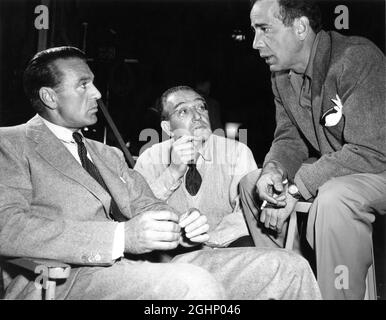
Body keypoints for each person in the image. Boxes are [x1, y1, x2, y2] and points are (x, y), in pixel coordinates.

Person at [0, 46, 321, 300]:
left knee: (288, 267)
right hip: (64, 278)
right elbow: (7, 227)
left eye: (94, 83)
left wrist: (180, 226)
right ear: (50, 96)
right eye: (84, 84)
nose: (97, 93)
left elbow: (146, 205)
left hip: (147, 264)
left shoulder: (106, 154)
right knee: (191, 286)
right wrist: (121, 238)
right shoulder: (11, 143)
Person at [240, 0, 386, 300]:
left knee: (335, 200)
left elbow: (371, 150)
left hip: (377, 164)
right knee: (250, 184)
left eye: (265, 29)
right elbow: (289, 138)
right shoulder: (281, 76)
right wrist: (274, 171)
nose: (256, 43)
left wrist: (296, 190)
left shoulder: (356, 58)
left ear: (301, 27)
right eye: (254, 31)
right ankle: (290, 289)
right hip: (343, 167)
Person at [135, 86, 257, 248]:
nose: (198, 116)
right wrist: (172, 173)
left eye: (201, 107)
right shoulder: (149, 158)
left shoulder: (237, 153)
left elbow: (247, 214)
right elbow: (137, 215)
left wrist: (207, 242)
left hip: (224, 248)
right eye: (183, 111)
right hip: (170, 253)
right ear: (167, 128)